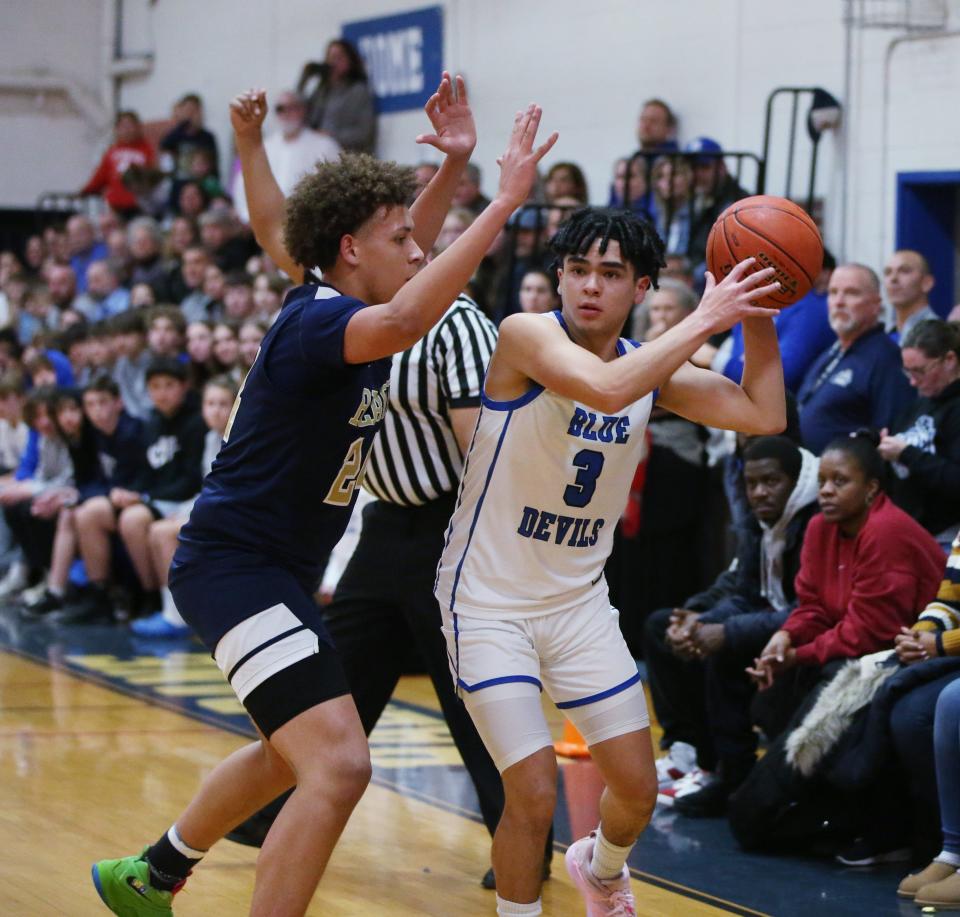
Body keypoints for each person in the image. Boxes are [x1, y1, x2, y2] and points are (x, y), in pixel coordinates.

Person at [91, 74, 557, 917]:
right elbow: (409, 311)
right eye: (400, 240)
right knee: (339, 762)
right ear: (349, 248)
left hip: (275, 571)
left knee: (289, 751)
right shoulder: (319, 322)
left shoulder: (350, 293)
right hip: (235, 568)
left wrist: (453, 163)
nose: (419, 249)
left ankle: (151, 872)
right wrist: (502, 207)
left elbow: (401, 250)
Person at [434, 202, 786, 916]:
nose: (590, 286)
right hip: (488, 602)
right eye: (577, 270)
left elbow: (764, 415)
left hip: (577, 605)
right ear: (559, 277)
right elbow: (603, 388)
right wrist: (705, 318)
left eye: (611, 273)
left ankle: (600, 866)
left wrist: (754, 305)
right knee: (531, 791)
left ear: (641, 288)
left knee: (637, 787)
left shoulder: (645, 367)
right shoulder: (526, 334)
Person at [645, 436, 820, 815]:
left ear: (794, 479)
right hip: (773, 624)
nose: (759, 492)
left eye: (770, 482)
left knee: (725, 650)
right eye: (752, 484)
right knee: (665, 630)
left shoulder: (817, 521)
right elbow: (743, 590)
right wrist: (698, 620)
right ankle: (698, 758)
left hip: (810, 636)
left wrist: (725, 631)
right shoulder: (761, 518)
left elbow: (810, 610)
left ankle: (732, 774)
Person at [747, 431, 944, 693]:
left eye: (839, 481)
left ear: (870, 488)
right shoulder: (820, 527)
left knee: (817, 675)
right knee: (775, 683)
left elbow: (872, 633)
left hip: (922, 649)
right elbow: (813, 606)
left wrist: (798, 655)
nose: (826, 491)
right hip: (863, 647)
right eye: (821, 482)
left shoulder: (886, 529)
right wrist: (786, 637)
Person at [131, 374, 237, 637]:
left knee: (162, 533)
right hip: (215, 508)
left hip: (236, 513)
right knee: (159, 529)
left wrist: (195, 512)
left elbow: (231, 492)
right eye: (210, 404)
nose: (215, 410)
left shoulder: (239, 439)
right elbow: (207, 487)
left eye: (223, 403)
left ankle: (176, 617)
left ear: (237, 406)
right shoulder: (210, 437)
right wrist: (189, 508)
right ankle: (169, 607)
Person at [797, 263, 915, 454]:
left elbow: (892, 433)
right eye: (833, 292)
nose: (839, 301)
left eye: (851, 293)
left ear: (876, 305)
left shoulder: (886, 358)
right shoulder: (831, 352)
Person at [879, 319, 960, 540]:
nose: (913, 382)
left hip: (946, 536)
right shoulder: (921, 402)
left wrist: (906, 453)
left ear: (949, 360)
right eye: (908, 372)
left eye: (920, 371)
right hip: (910, 531)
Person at [232, 90, 341, 224]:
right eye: (281, 109)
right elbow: (244, 184)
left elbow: (337, 185)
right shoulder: (263, 148)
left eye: (292, 108)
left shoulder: (324, 146)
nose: (286, 113)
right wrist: (248, 217)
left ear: (303, 111)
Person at [300, 39, 376, 153]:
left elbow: (364, 133)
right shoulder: (321, 91)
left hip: (348, 157)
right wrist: (304, 79)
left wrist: (331, 135)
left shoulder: (358, 91)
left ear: (350, 61)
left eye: (338, 57)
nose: (333, 62)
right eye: (330, 58)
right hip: (321, 156)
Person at [81, 111, 156, 217]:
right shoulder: (112, 151)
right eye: (123, 126)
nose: (127, 130)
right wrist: (85, 191)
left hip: (139, 206)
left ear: (138, 127)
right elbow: (100, 175)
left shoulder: (148, 150)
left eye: (130, 125)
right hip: (114, 206)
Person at [884, 249, 938, 345]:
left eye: (904, 271)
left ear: (927, 283)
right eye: (888, 272)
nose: (893, 278)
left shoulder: (938, 335)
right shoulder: (885, 334)